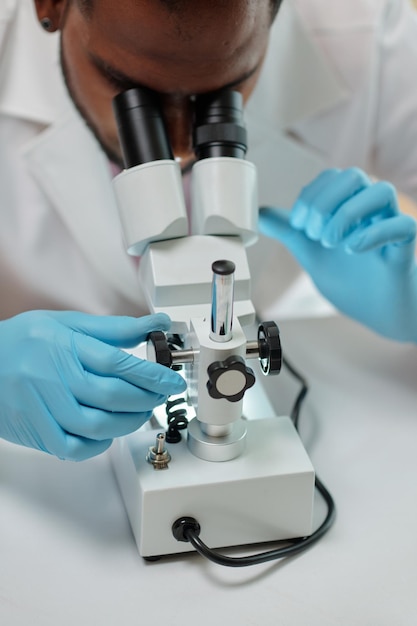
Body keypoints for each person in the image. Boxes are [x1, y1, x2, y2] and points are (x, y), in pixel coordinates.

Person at [0, 0, 416, 461]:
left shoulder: (375, 36)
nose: (180, 145)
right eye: (125, 84)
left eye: (225, 90)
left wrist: (411, 304)